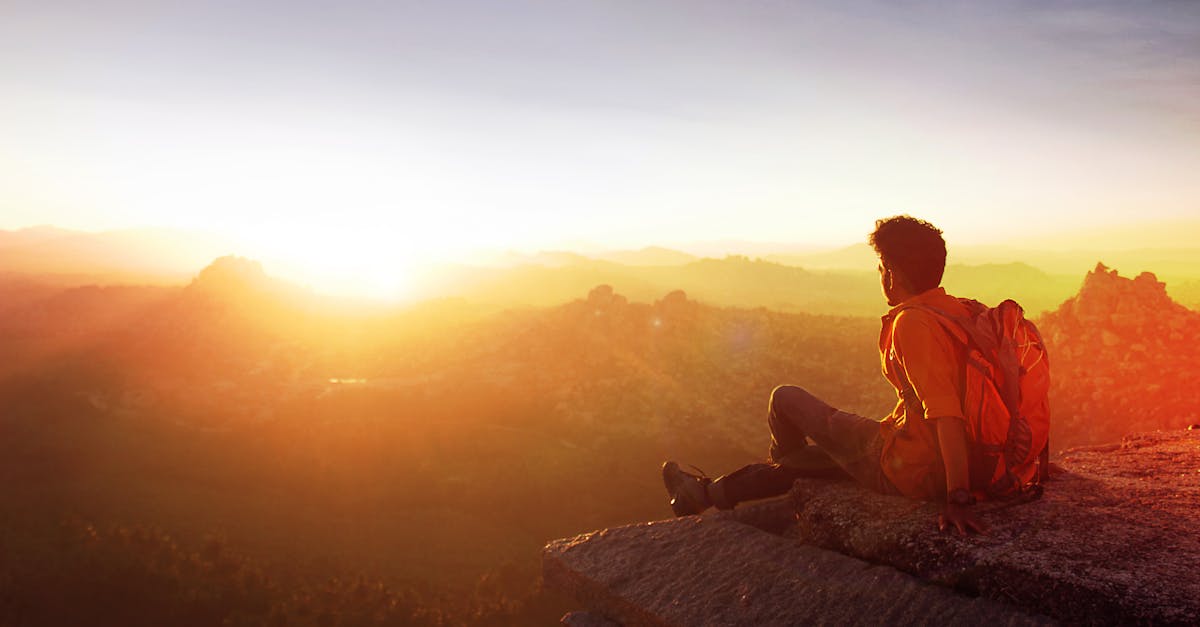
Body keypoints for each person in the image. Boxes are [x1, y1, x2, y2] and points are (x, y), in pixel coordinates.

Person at [661, 215, 988, 535]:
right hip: (962, 460)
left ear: (892, 273)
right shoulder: (964, 312)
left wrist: (957, 497)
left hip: (913, 468)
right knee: (833, 456)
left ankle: (780, 469)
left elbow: (947, 415)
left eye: (881, 267)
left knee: (785, 399)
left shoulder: (913, 323)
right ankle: (706, 494)